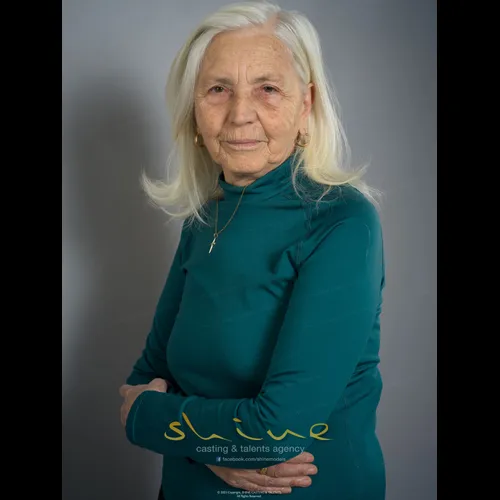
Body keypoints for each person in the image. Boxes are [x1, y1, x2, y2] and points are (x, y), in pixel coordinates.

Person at [118, 1, 386, 498]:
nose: (240, 114)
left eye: (268, 89)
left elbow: (275, 434)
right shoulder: (205, 217)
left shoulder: (344, 223)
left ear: (305, 105)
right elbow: (146, 377)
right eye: (218, 89)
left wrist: (154, 420)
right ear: (194, 111)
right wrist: (216, 452)